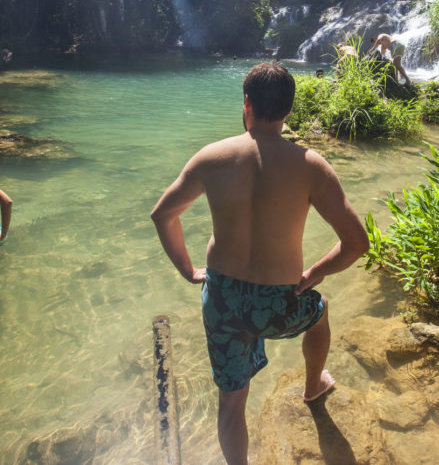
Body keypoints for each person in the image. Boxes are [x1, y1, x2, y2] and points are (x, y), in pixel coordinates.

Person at [150, 62, 368, 464]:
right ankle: (313, 385)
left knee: (231, 404)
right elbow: (356, 243)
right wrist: (314, 273)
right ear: (289, 109)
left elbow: (163, 215)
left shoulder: (212, 158)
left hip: (223, 301)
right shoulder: (311, 166)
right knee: (318, 314)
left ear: (246, 103)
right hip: (280, 304)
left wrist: (188, 271)